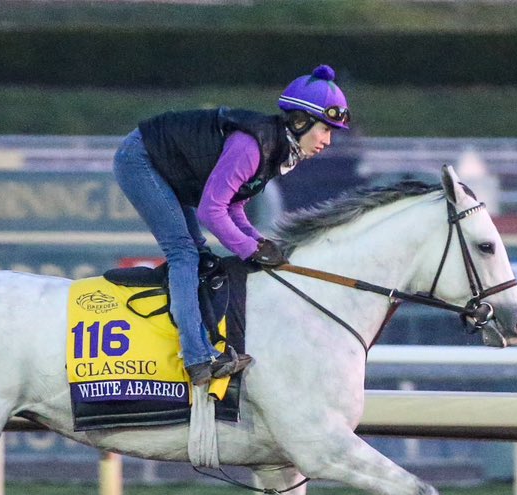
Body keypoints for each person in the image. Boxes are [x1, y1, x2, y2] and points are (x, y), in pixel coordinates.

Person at [112, 64, 350, 386]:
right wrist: (250, 249)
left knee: (199, 254)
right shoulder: (252, 147)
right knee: (185, 252)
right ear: (299, 121)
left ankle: (200, 342)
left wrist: (259, 241)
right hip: (140, 158)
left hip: (167, 162)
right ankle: (198, 359)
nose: (327, 141)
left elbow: (233, 206)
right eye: (324, 129)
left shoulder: (276, 149)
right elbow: (211, 211)